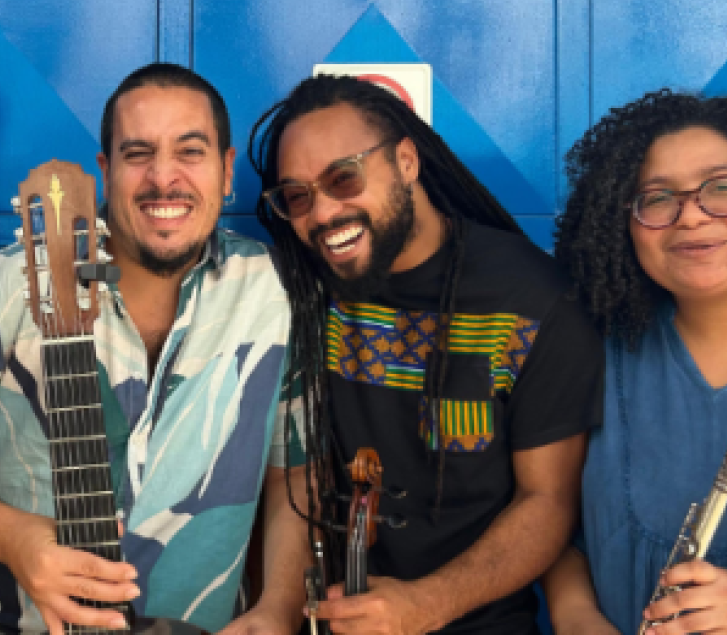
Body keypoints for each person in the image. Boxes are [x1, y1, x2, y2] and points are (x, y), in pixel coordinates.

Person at [0, 63, 311, 634]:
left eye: (190, 152)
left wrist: (279, 608)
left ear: (225, 171)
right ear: (105, 170)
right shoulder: (18, 282)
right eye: (138, 152)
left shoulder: (273, 293)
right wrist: (13, 539)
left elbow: (293, 470)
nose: (163, 178)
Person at [248, 74, 604, 634]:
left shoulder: (532, 302)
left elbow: (548, 501)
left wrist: (429, 604)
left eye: (343, 177)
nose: (321, 214)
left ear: (407, 161)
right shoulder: (300, 291)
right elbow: (297, 469)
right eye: (298, 196)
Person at [542, 90, 727, 635]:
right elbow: (555, 528)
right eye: (655, 199)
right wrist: (578, 618)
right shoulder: (588, 350)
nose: (690, 217)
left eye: (724, 187)